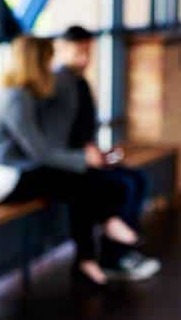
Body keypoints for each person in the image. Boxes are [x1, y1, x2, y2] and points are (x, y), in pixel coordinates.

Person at [0, 36, 144, 285]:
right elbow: (40, 152)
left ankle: (88, 257)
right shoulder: (15, 98)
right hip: (3, 179)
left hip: (21, 171)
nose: (51, 67)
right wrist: (83, 158)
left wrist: (83, 157)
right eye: (47, 60)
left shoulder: (26, 95)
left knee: (80, 186)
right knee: (78, 182)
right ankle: (104, 229)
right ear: (35, 63)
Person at [49, 25, 161, 281]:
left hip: (83, 159)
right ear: (62, 49)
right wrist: (86, 155)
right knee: (122, 185)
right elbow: (56, 137)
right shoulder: (61, 83)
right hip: (70, 165)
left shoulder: (79, 82)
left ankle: (120, 253)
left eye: (88, 52)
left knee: (136, 179)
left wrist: (99, 153)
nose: (84, 58)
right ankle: (114, 256)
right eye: (79, 52)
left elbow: (82, 130)